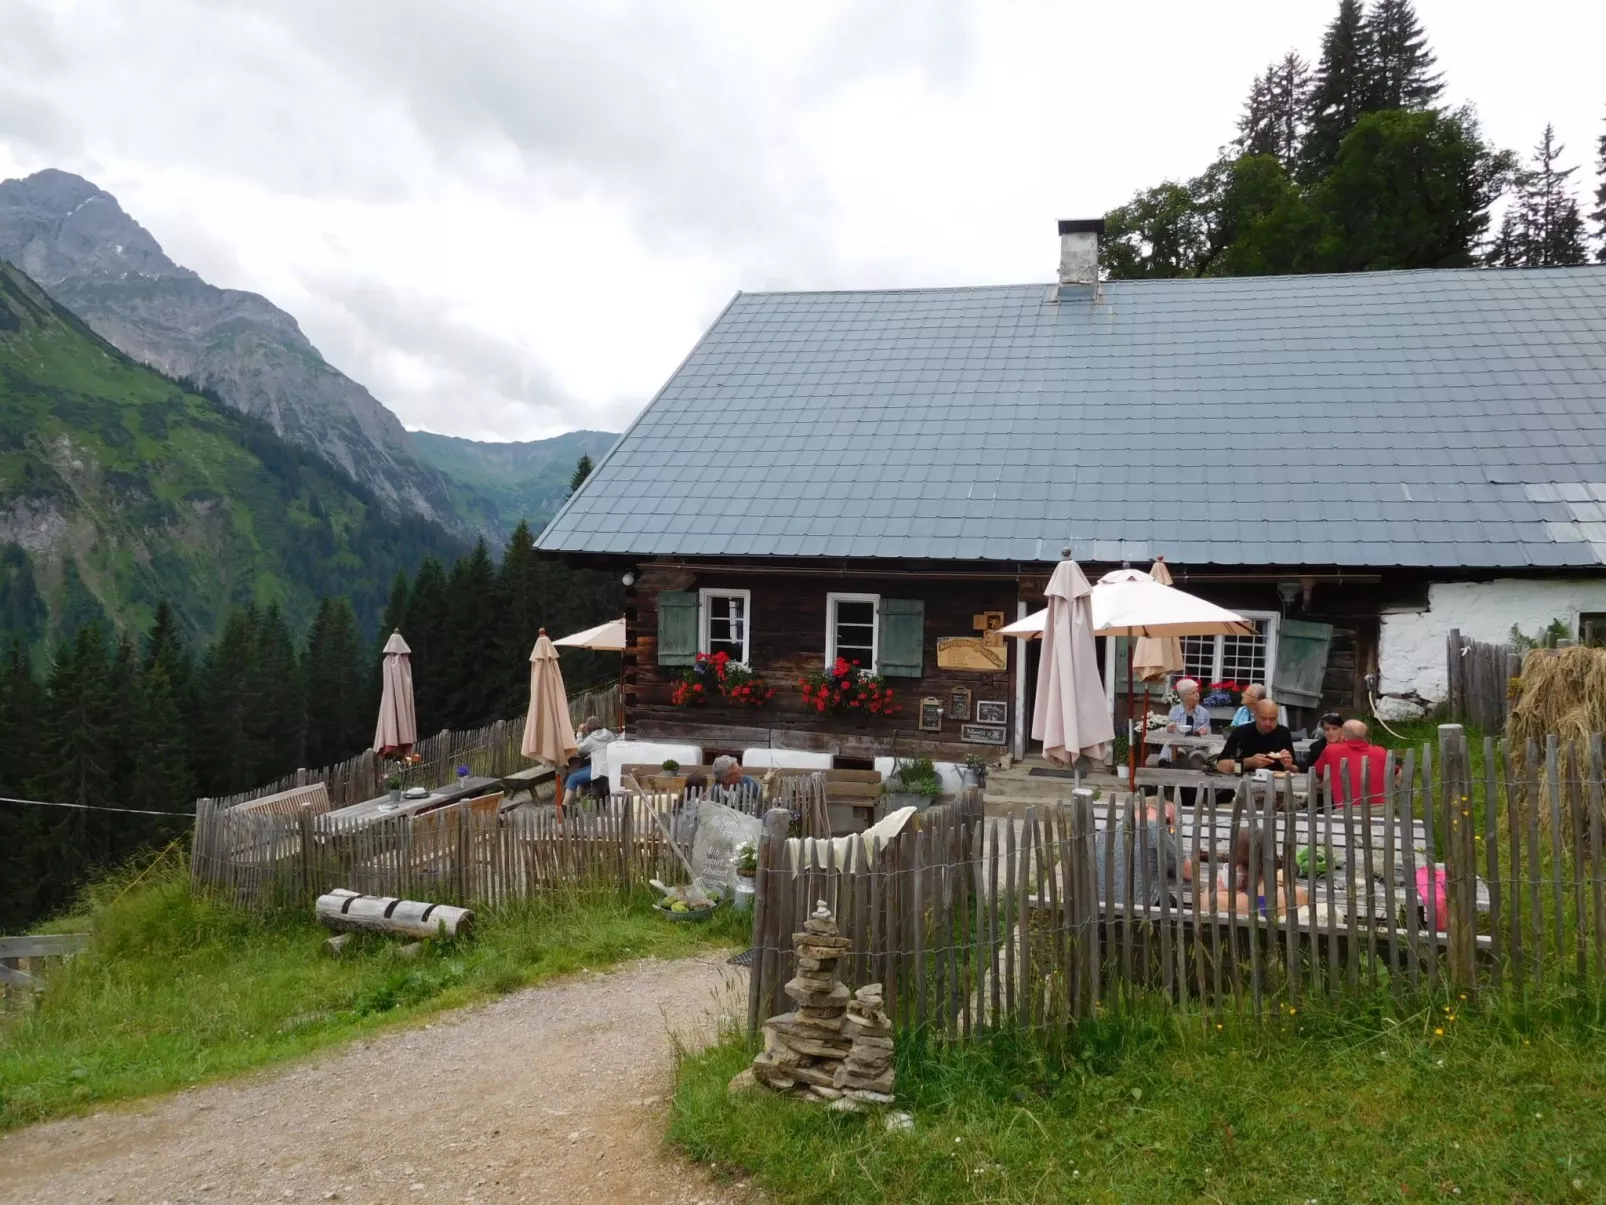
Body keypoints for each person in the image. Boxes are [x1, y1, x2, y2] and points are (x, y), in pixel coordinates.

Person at [1095, 801, 1194, 906]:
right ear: (1146, 809)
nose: (1167, 828)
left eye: (1171, 828)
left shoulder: (1105, 831)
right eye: (1167, 820)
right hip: (1141, 910)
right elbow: (1190, 872)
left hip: (1102, 908)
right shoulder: (1153, 828)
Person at [1201, 826, 1308, 918]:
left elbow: (1204, 906)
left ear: (1237, 860)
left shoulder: (1223, 902)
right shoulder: (1296, 894)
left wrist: (1219, 883)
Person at [1310, 719, 1390, 807]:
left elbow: (1317, 773)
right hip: (1379, 809)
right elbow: (1396, 775)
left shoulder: (1331, 750)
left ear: (1343, 735)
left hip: (1344, 810)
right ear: (1365, 736)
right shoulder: (1381, 752)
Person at [1216, 699, 1296, 775]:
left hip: (1277, 781)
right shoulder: (1242, 732)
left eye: (1272, 719)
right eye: (1263, 719)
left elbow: (1296, 769)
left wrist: (1288, 766)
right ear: (1255, 715)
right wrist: (1249, 762)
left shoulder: (1283, 733)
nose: (1268, 723)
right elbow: (1221, 766)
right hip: (1246, 780)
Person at [563, 715, 617, 808]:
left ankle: (564, 806)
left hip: (600, 771)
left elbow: (579, 749)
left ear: (587, 727)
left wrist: (580, 733)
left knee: (572, 777)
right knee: (577, 772)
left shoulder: (592, 739)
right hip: (611, 768)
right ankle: (578, 801)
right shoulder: (609, 734)